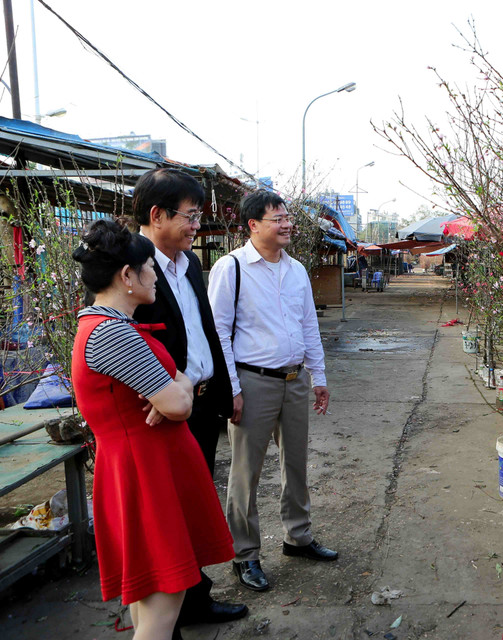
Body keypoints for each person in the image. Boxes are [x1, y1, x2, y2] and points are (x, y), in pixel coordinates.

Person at [70, 219, 234, 639]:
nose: (156, 278)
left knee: (150, 600)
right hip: (146, 474)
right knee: (164, 604)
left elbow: (181, 385)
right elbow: (180, 399)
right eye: (149, 270)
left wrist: (175, 390)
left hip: (142, 467)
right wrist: (177, 391)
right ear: (127, 276)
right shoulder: (111, 334)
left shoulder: (110, 326)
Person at [131, 168, 248, 631]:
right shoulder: (133, 269)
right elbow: (124, 339)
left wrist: (224, 390)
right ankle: (164, 622)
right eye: (191, 215)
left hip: (198, 406)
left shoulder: (188, 264)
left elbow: (204, 332)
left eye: (199, 215)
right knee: (165, 520)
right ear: (157, 215)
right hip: (160, 412)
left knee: (195, 509)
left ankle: (196, 601)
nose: (197, 225)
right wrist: (153, 392)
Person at [208, 190, 335, 592]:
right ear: (252, 225)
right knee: (246, 472)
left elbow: (308, 326)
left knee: (295, 463)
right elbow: (218, 334)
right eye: (276, 218)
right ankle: (244, 554)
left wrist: (319, 376)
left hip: (295, 380)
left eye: (287, 217)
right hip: (253, 382)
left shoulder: (296, 269)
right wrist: (231, 388)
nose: (286, 224)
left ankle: (298, 537)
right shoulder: (232, 269)